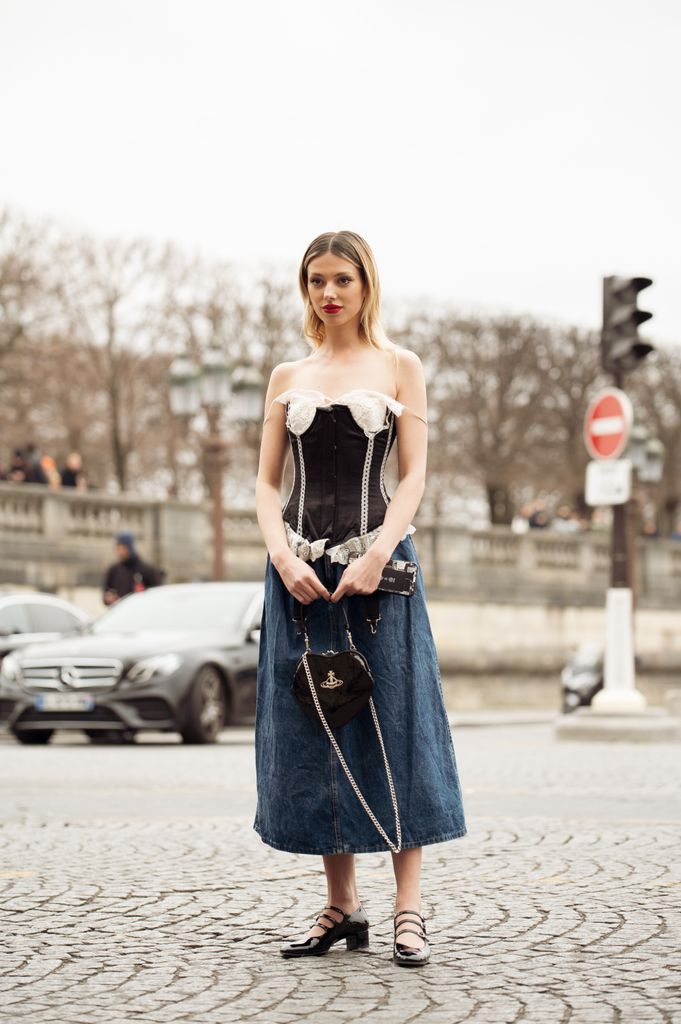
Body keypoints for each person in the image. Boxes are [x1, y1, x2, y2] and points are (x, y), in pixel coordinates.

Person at [254, 231, 466, 967]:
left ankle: (409, 909)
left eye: (341, 278)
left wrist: (379, 552)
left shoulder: (400, 365)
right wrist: (281, 555)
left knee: (398, 719)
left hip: (380, 573)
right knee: (317, 722)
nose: (327, 292)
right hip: (300, 575)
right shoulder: (288, 372)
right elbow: (263, 485)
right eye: (315, 280)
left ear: (365, 284)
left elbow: (411, 477)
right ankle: (342, 906)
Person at [102, 530, 162, 606]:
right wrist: (108, 598)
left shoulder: (147, 569)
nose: (120, 552)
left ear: (130, 548)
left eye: (123, 548)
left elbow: (157, 593)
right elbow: (106, 592)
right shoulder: (113, 570)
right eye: (118, 549)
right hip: (120, 612)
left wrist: (144, 594)